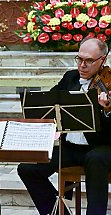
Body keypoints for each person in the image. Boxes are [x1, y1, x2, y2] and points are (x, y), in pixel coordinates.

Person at [17, 38, 111, 215]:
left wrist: (106, 111)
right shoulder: (70, 78)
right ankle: (58, 212)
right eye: (79, 59)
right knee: (27, 168)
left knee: (96, 159)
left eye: (89, 61)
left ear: (103, 60)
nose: (82, 65)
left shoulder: (109, 84)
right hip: (70, 148)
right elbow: (49, 100)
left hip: (101, 147)